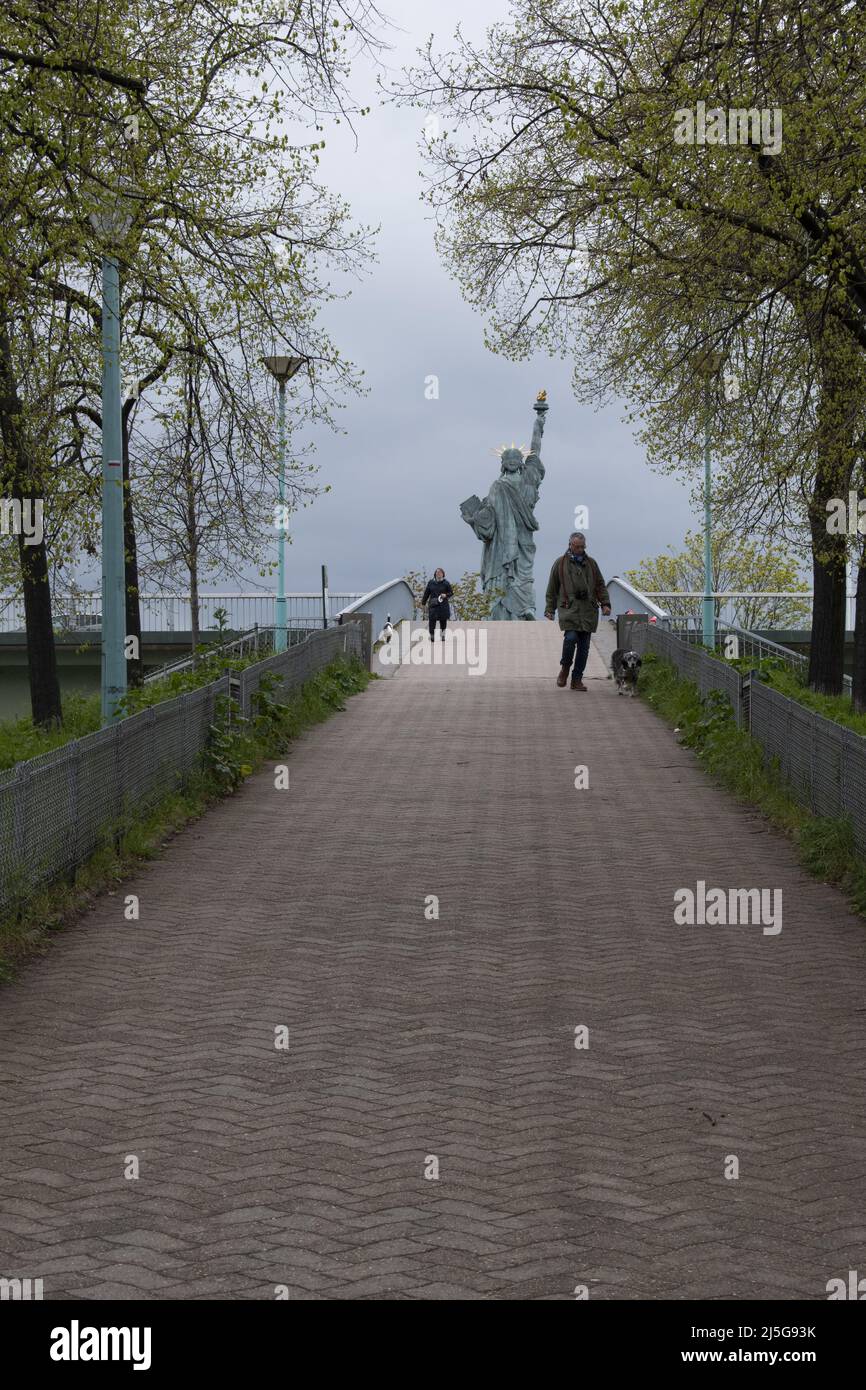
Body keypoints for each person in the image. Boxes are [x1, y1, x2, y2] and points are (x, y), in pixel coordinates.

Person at [544, 532, 611, 690]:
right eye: (577, 547)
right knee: (570, 638)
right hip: (569, 609)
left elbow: (600, 585)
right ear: (570, 545)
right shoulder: (560, 563)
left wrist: (605, 604)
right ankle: (565, 669)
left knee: (584, 646)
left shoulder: (592, 564)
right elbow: (552, 588)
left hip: (588, 610)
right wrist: (549, 609)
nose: (580, 549)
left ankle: (577, 680)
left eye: (582, 547)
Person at [421, 568, 454, 640]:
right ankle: (432, 635)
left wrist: (446, 595)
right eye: (437, 572)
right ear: (435, 574)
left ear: (443, 574)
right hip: (433, 605)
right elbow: (426, 593)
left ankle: (443, 635)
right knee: (432, 620)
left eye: (440, 572)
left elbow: (451, 593)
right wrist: (423, 603)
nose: (439, 574)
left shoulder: (446, 583)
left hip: (443, 605)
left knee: (443, 621)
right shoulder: (431, 583)